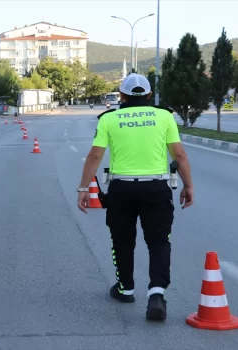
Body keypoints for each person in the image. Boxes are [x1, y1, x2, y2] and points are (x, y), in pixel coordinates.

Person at [77, 73, 194, 321]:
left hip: (122, 189)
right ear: (150, 95)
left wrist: (84, 189)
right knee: (159, 242)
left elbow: (95, 156)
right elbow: (180, 155)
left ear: (121, 95)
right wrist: (188, 186)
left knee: (122, 240)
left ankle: (125, 288)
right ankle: (156, 294)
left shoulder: (109, 119)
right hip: (157, 188)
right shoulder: (164, 116)